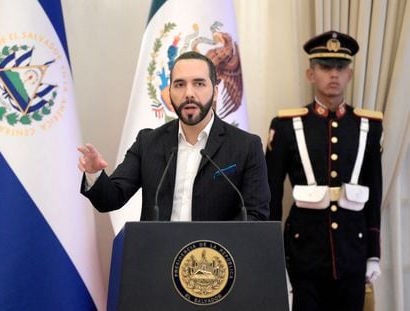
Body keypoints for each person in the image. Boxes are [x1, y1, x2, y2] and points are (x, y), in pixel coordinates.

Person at [265, 30, 383, 311]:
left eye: (341, 68)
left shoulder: (368, 126)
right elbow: (269, 195)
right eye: (325, 67)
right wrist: (271, 255)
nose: (334, 74)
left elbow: (374, 191)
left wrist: (373, 255)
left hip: (352, 250)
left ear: (349, 75)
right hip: (303, 252)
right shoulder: (285, 126)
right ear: (310, 74)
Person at [78, 51, 270, 221]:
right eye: (179, 85)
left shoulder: (246, 146)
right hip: (159, 256)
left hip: (214, 258)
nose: (189, 93)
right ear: (169, 93)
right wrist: (94, 173)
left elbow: (256, 214)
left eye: (199, 83)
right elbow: (111, 199)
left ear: (216, 92)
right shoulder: (148, 143)